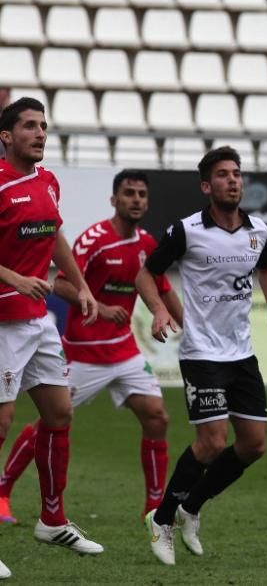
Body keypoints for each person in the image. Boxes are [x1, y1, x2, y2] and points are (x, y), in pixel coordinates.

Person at [0, 170, 183, 525]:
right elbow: (63, 285)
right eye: (128, 193)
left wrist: (187, 326)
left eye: (142, 194)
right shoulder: (94, 240)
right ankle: (3, 490)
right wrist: (99, 306)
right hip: (84, 354)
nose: (136, 200)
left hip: (125, 351)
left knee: (157, 417)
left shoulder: (147, 244)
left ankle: (154, 509)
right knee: (47, 423)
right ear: (114, 200)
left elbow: (160, 287)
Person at [137, 147, 267, 566]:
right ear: (207, 186)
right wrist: (159, 310)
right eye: (223, 175)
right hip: (201, 352)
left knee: (254, 445)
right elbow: (146, 273)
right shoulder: (187, 230)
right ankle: (162, 519)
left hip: (241, 353)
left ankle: (191, 507)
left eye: (237, 174)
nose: (233, 180)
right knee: (211, 442)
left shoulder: (257, 229)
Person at [0, 98, 106, 580]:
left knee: (59, 413)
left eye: (44, 125)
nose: (40, 132)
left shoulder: (47, 181)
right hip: (3, 318)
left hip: (38, 320)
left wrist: (80, 284)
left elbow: (56, 234)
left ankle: (52, 519)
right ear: (6, 136)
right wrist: (16, 279)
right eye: (29, 125)